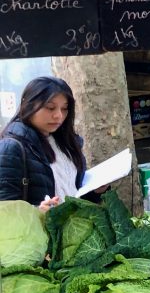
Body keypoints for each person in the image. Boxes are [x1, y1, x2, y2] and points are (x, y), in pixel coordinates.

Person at [0, 76, 88, 210]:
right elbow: (5, 210)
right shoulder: (12, 148)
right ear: (28, 104)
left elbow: (74, 190)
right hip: (39, 229)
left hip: (72, 226)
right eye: (50, 107)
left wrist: (96, 191)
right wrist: (38, 211)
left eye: (64, 109)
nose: (58, 115)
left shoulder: (68, 143)